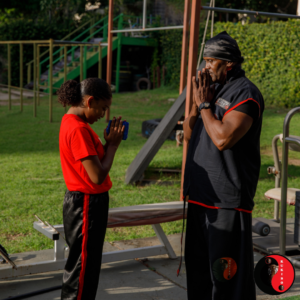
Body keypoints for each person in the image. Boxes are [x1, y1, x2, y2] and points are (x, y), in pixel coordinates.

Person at [183, 31, 264, 299]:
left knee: (226, 280)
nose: (205, 67)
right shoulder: (210, 88)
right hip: (200, 198)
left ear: (228, 63)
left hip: (228, 202)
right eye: (204, 60)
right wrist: (197, 103)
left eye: (210, 61)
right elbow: (189, 133)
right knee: (199, 275)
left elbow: (223, 138)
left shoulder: (246, 93)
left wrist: (205, 104)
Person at [57, 78, 125, 300]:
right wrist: (113, 146)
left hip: (85, 202)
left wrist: (106, 145)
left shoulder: (74, 123)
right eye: (102, 108)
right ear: (90, 101)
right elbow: (97, 176)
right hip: (85, 204)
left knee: (86, 263)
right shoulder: (78, 129)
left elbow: (92, 166)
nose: (103, 114)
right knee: (82, 268)